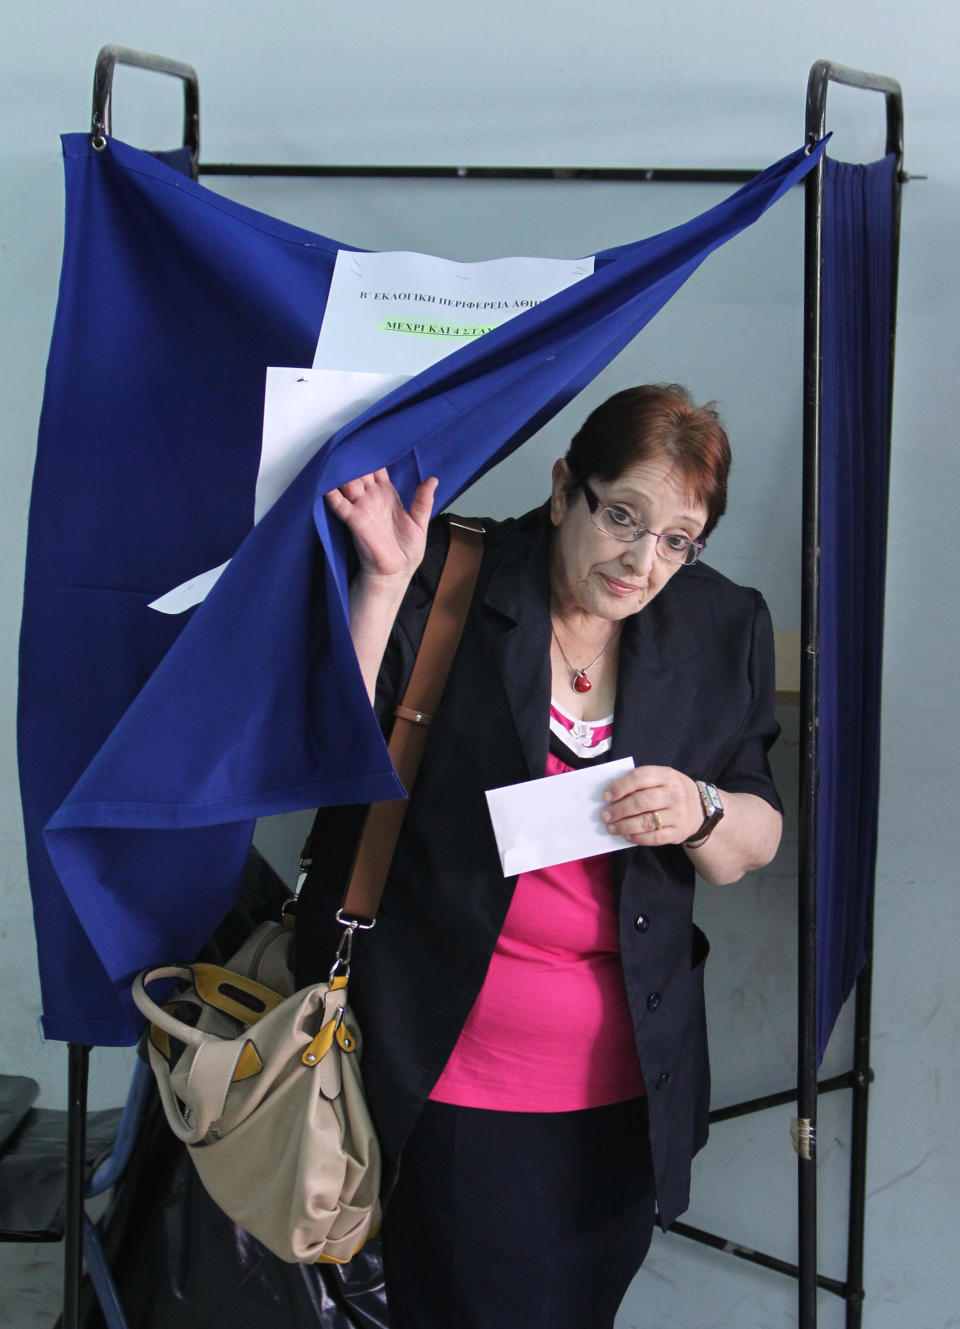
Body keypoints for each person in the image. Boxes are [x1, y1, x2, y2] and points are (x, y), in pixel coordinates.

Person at [300, 384, 784, 1329]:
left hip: (627, 1087)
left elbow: (751, 836)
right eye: (622, 516)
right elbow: (322, 753)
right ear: (565, 487)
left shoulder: (722, 624)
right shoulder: (449, 572)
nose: (643, 561)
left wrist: (701, 807)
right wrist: (383, 586)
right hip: (448, 1071)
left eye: (678, 538)